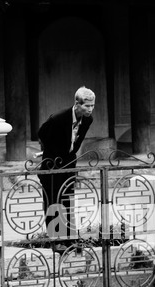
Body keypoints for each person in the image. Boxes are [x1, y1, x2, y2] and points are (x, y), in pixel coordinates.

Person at [37, 86, 95, 248]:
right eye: (86, 106)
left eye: (92, 106)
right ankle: (57, 241)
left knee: (67, 200)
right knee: (53, 202)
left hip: (69, 163)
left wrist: (68, 154)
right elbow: (42, 133)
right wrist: (53, 152)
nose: (90, 109)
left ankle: (70, 239)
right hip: (53, 165)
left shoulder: (88, 119)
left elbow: (75, 141)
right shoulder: (58, 118)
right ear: (77, 104)